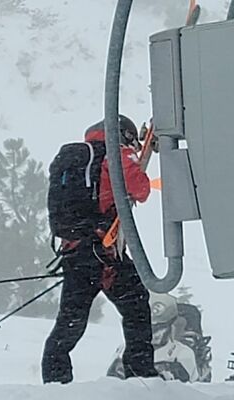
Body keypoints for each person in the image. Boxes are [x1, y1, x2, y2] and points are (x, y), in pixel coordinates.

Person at [41, 115, 158, 384]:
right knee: (137, 305)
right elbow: (140, 189)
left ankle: (55, 381)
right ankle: (141, 372)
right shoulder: (116, 154)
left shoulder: (78, 159)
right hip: (102, 251)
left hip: (75, 251)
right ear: (124, 135)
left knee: (71, 320)